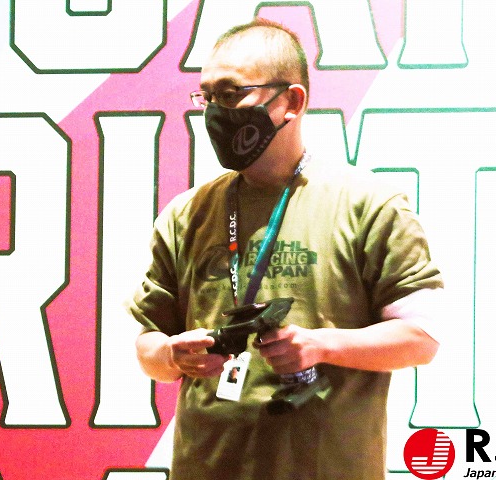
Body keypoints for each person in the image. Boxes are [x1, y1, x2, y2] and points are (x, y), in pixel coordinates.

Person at [128, 18, 444, 480]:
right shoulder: (186, 214)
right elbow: (148, 346)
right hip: (204, 467)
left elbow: (421, 339)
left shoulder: (370, 204)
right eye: (207, 97)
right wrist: (173, 356)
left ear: (291, 102)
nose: (214, 113)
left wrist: (321, 345)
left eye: (231, 94)